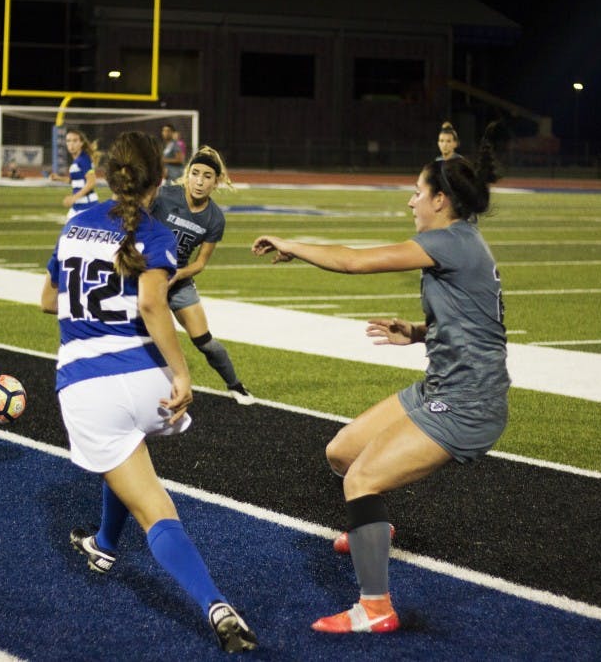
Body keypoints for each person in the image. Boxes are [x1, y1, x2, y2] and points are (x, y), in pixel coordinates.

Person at [251, 128, 509, 635]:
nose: (411, 199)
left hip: (468, 403)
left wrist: (291, 243)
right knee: (342, 453)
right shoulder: (461, 242)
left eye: (418, 191)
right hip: (441, 386)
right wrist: (415, 332)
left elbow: (354, 261)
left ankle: (375, 608)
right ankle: (374, 528)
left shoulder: (448, 240)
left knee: (361, 480)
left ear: (441, 200)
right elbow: (476, 319)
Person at [40, 131, 258, 653]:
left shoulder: (75, 224)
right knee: (129, 458)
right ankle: (104, 545)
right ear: (161, 181)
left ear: (110, 175)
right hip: (147, 382)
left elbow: (49, 302)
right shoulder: (155, 233)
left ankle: (214, 603)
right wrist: (182, 374)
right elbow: (154, 306)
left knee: (153, 506)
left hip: (89, 383)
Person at [151, 145, 255, 405]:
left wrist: (176, 275)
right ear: (187, 173)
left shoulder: (215, 218)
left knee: (206, 342)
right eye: (195, 173)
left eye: (207, 176)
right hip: (147, 278)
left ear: (216, 181)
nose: (199, 181)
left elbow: (200, 263)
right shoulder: (164, 196)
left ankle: (236, 386)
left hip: (179, 281)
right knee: (139, 336)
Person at [51, 128, 100, 221]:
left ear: (81, 143)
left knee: (68, 234)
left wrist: (74, 198)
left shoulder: (84, 159)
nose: (71, 144)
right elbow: (77, 181)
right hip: (78, 206)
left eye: (75, 140)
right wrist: (59, 178)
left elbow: (91, 182)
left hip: (87, 206)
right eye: (68, 141)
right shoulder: (78, 160)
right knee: (67, 233)